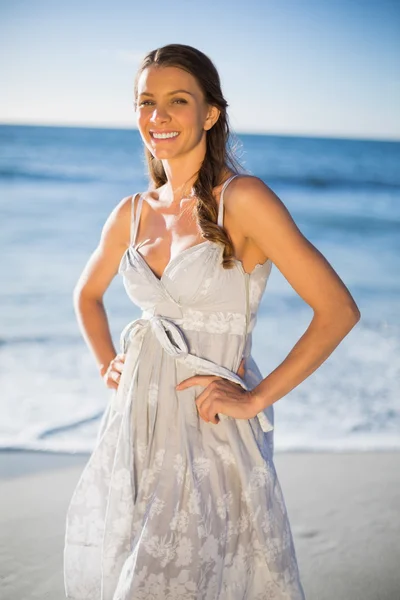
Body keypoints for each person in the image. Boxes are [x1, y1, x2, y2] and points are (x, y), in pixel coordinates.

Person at [63, 43, 360, 599]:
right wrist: (109, 364)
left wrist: (255, 398)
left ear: (210, 113)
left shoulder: (242, 199)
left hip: (211, 429)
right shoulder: (130, 212)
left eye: (178, 100)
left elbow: (338, 310)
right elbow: (87, 295)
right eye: (146, 102)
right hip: (137, 426)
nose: (159, 117)